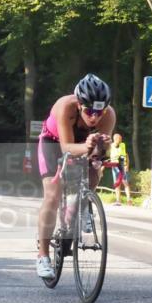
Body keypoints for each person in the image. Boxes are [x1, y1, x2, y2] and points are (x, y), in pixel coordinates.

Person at [35, 73, 115, 279]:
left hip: (82, 144)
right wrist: (88, 145)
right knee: (52, 196)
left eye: (100, 111)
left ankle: (84, 205)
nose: (94, 117)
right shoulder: (65, 107)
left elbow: (99, 153)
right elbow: (66, 147)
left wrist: (98, 150)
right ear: (79, 105)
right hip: (54, 142)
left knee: (95, 168)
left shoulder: (108, 116)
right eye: (89, 111)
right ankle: (43, 255)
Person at [109, 133, 133, 206]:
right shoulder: (110, 146)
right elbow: (108, 156)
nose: (121, 140)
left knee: (125, 182)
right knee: (117, 184)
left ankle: (129, 200)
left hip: (121, 166)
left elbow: (126, 155)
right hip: (114, 166)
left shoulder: (122, 145)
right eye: (120, 139)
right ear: (115, 139)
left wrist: (127, 165)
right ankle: (118, 201)